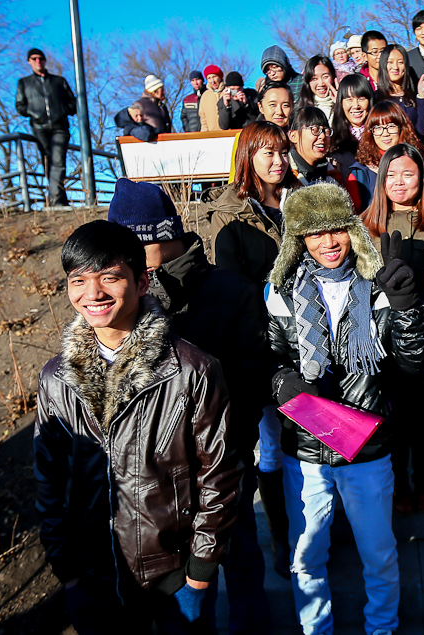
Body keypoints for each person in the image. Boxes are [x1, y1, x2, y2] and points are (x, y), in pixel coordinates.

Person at [35, 220, 239, 634]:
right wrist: (65, 568)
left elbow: (219, 475)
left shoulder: (192, 370)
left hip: (174, 574)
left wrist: (200, 570)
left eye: (109, 277)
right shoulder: (56, 378)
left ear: (142, 282)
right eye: (79, 280)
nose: (93, 293)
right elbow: (49, 479)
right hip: (92, 577)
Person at [107, 180, 273, 634]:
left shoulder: (232, 291)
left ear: (162, 234)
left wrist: (227, 452)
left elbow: (251, 382)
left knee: (240, 556)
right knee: (188, 591)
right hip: (158, 480)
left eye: (133, 246)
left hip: (225, 461)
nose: (123, 262)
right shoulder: (124, 301)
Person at [263, 182, 424, 635]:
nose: (328, 242)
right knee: (306, 556)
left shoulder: (378, 286)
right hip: (305, 451)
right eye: (315, 233)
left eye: (336, 229)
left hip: (367, 449)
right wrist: (279, 381)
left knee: (379, 554)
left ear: (352, 230)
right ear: (299, 239)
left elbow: (411, 364)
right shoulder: (280, 293)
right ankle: (315, 630)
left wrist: (406, 306)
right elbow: (269, 359)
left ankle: (382, 628)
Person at [205, 121, 301, 579]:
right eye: (267, 152)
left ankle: (313, 525)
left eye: (282, 151)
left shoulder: (301, 201)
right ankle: (283, 536)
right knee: (273, 446)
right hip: (258, 348)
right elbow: (230, 289)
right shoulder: (230, 215)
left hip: (308, 341)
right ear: (248, 156)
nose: (278, 161)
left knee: (309, 441)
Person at [361, 144, 424, 514]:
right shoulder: (366, 226)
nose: (399, 182)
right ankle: (397, 484)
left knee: (422, 417)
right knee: (391, 416)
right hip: (383, 339)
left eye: (408, 174)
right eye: (392, 175)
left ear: (421, 179)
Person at [15, 47, 77, 206]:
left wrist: (62, 111)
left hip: (60, 127)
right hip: (39, 127)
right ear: (29, 61)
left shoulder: (59, 81)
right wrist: (36, 114)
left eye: (41, 58)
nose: (38, 61)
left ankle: (55, 201)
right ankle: (60, 199)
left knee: (58, 161)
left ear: (45, 60)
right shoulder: (24, 83)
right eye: (34, 58)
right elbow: (20, 106)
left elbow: (73, 103)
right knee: (48, 163)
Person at [348, 100, 424, 210]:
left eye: (391, 126)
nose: (385, 133)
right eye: (378, 128)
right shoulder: (359, 174)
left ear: (401, 128)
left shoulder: (421, 166)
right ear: (371, 132)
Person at [377, 43, 424, 134]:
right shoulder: (375, 98)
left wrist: (422, 95)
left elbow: (422, 131)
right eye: (390, 62)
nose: (395, 67)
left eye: (400, 62)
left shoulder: (415, 98)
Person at [329, 73, 375, 183]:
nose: (356, 106)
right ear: (341, 103)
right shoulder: (332, 142)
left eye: (361, 99)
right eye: (349, 99)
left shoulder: (381, 137)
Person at [288, 106, 341, 185]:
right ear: (293, 136)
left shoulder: (333, 176)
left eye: (326, 131)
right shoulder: (284, 174)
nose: (323, 136)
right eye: (315, 130)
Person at [296, 55, 338, 123]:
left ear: (333, 77)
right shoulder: (301, 112)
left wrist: (340, 104)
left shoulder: (344, 104)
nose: (321, 83)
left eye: (325, 77)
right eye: (314, 78)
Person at [199, 64, 226, 132]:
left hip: (228, 133)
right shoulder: (205, 96)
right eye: (209, 78)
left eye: (214, 77)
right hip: (211, 133)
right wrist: (204, 133)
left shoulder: (227, 92)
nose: (212, 81)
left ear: (220, 77)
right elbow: (203, 118)